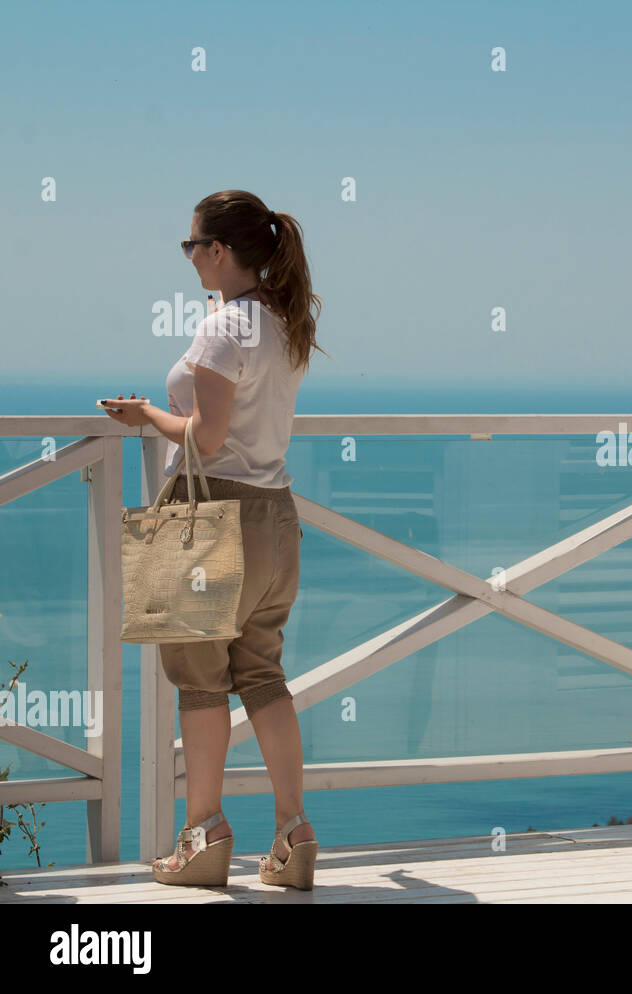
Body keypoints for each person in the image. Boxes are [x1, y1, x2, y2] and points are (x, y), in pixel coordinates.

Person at [103, 190, 326, 889]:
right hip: (274, 515)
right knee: (263, 673)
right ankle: (293, 834)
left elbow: (205, 437)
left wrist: (145, 415)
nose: (189, 256)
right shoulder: (281, 323)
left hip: (208, 514)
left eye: (191, 245)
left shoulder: (224, 329)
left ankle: (202, 839)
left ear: (218, 251)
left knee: (199, 681)